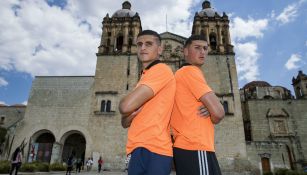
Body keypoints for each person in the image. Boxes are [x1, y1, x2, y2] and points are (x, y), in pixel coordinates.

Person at [119, 30, 176, 175]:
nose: (142, 48)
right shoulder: (145, 77)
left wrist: (129, 106)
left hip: (154, 149)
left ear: (160, 49)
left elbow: (125, 106)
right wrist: (132, 113)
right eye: (139, 44)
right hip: (137, 147)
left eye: (148, 44)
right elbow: (124, 122)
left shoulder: (161, 70)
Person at [171, 34, 225, 175]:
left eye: (205, 48)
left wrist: (209, 108)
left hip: (187, 146)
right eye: (197, 48)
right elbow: (219, 113)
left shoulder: (180, 73)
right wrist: (212, 111)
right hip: (195, 145)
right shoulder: (190, 72)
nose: (202, 52)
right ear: (186, 51)